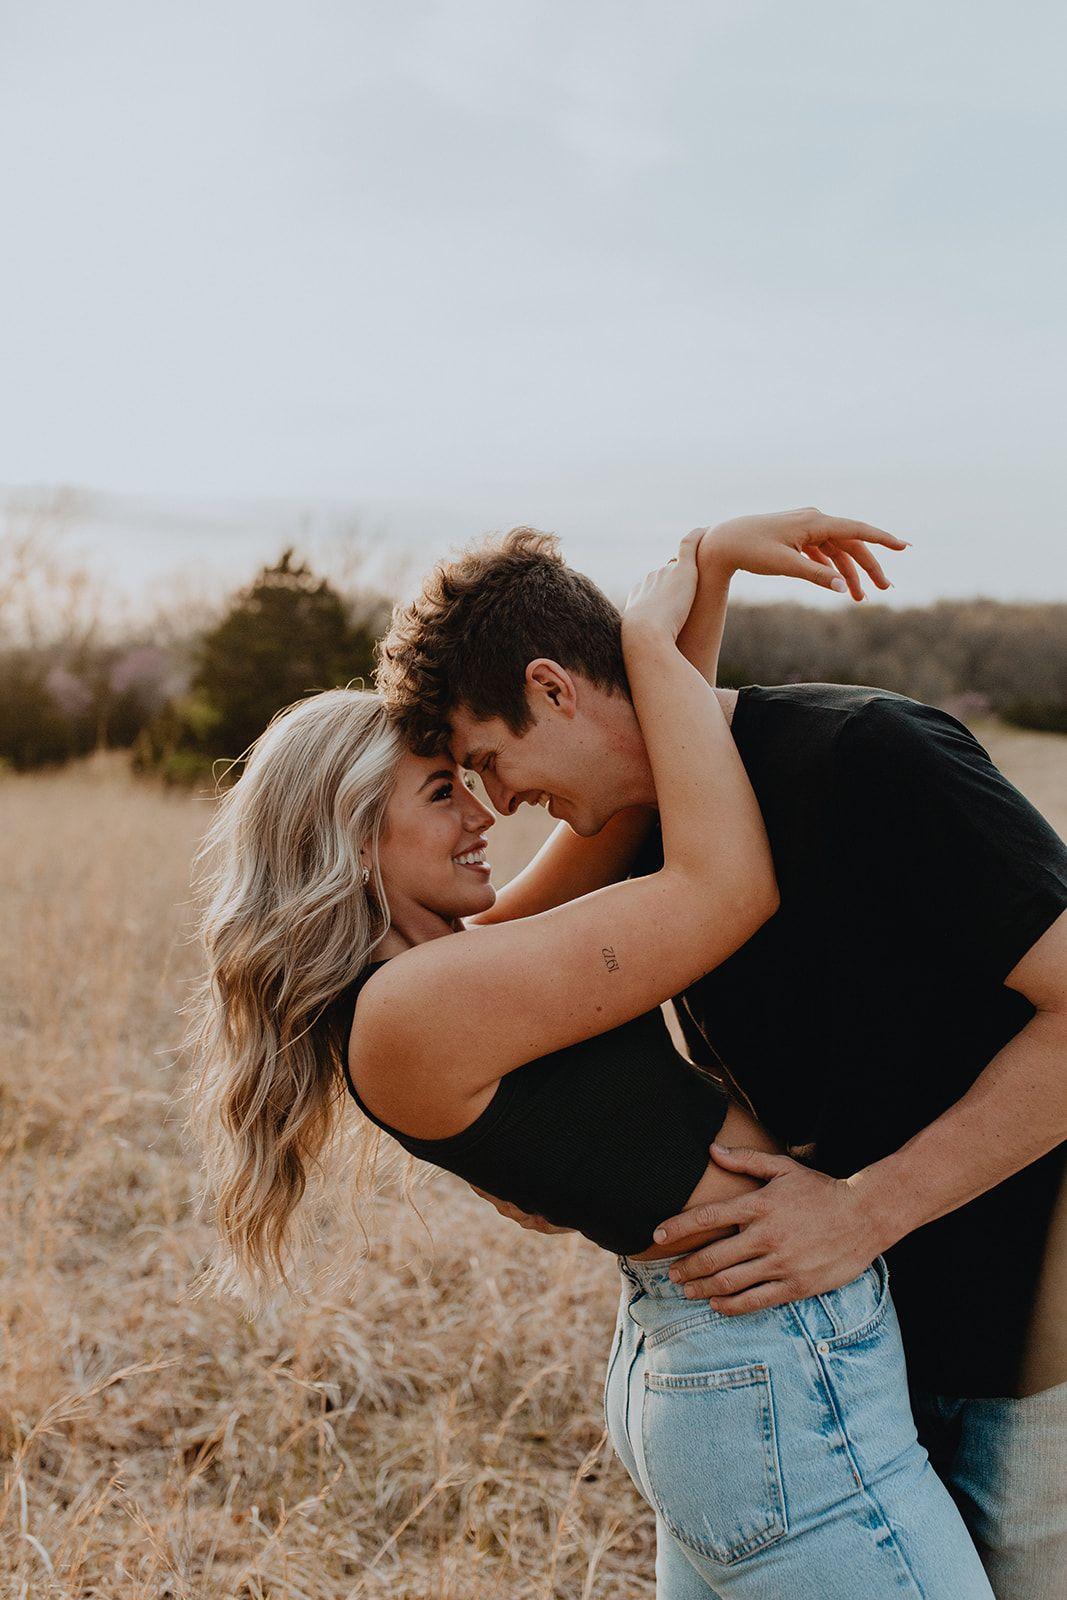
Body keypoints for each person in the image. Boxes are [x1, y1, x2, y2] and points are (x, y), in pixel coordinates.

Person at [189, 519, 994, 1597]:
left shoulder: (452, 969)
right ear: (352, 834)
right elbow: (722, 886)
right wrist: (650, 647)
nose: (483, 812)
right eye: (442, 790)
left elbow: (640, 784)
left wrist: (706, 570)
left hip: (727, 1358)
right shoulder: (417, 1008)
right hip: (764, 1362)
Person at [377, 510, 1067, 1599]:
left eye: (488, 762)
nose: (496, 804)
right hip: (848, 1326)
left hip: (1024, 1336)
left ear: (552, 688)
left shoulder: (869, 755)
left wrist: (868, 1209)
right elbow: (467, 968)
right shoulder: (645, 820)